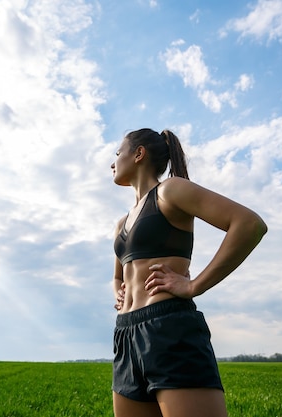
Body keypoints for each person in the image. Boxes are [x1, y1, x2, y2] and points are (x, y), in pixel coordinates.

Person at [110, 128, 267, 417]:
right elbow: (118, 274)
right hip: (125, 335)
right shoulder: (122, 222)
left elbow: (248, 224)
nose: (113, 162)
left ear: (139, 153)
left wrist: (194, 286)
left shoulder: (171, 190)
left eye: (117, 153)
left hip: (168, 328)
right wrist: (117, 291)